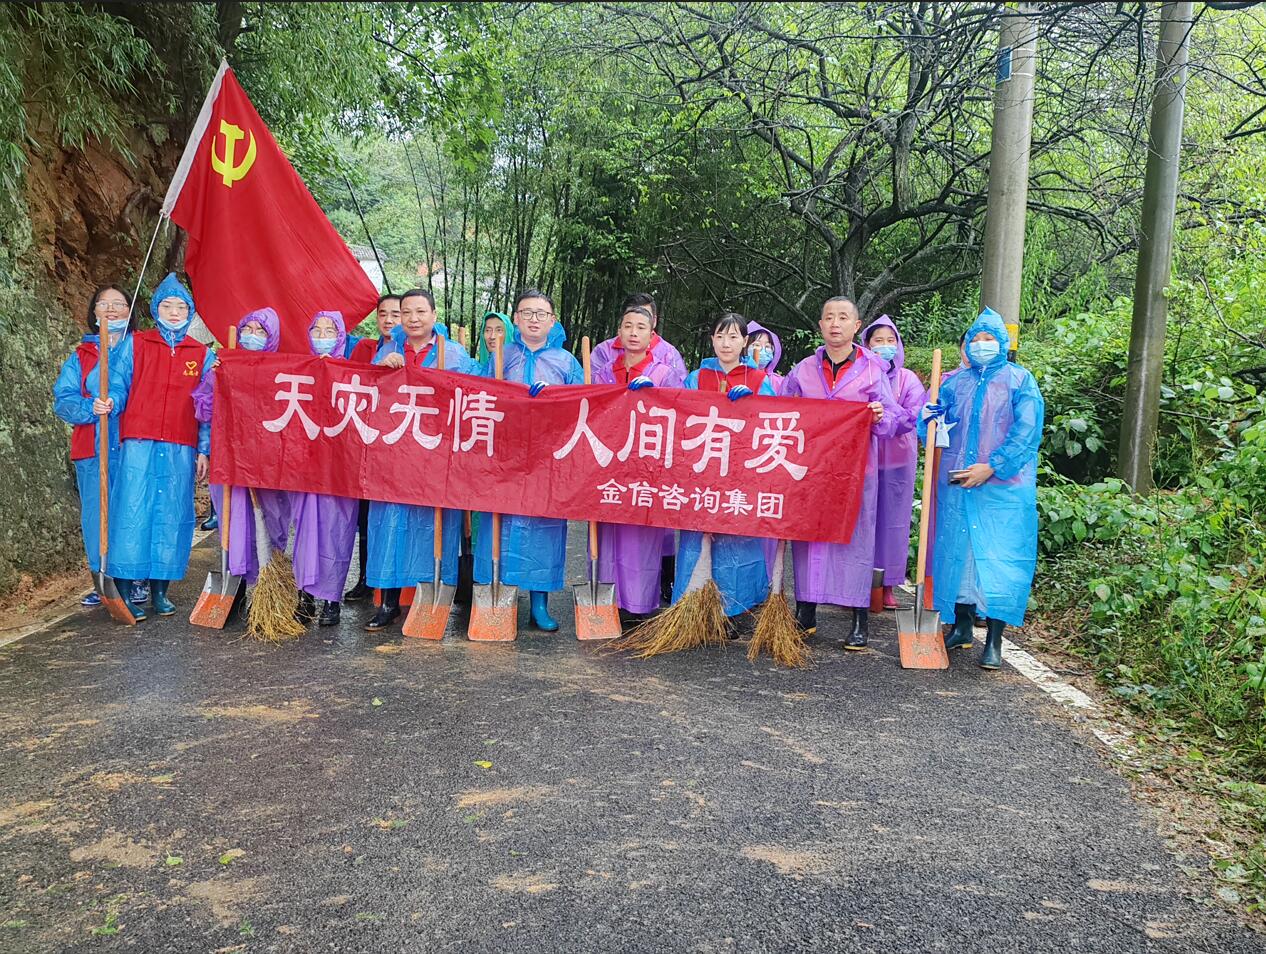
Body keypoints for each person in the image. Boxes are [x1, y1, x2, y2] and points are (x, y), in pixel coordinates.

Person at [919, 307, 1044, 670]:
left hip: (1003, 490)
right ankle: (961, 627)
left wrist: (992, 466)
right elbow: (933, 429)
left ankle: (993, 639)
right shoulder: (953, 383)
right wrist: (928, 418)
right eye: (976, 338)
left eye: (989, 339)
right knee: (958, 557)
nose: (982, 344)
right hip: (959, 483)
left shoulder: (1021, 381)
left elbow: (1026, 434)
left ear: (1002, 343)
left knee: (998, 562)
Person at [782, 297, 901, 649]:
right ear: (820, 325)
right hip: (811, 470)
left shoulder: (872, 370)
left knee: (855, 540)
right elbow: (782, 410)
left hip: (856, 471)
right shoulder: (803, 370)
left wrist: (879, 416)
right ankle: (806, 611)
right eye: (829, 317)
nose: (835, 323)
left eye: (843, 317)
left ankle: (859, 617)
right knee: (808, 539)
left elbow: (893, 418)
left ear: (856, 325)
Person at [362, 289, 476, 631]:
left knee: (433, 526)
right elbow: (367, 395)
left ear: (434, 315)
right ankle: (389, 603)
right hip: (393, 456)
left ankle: (430, 602)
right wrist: (381, 371)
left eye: (420, 311)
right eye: (406, 312)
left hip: (435, 456)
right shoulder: (388, 351)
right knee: (390, 527)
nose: (413, 318)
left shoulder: (453, 354)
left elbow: (474, 394)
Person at [473, 288, 582, 631]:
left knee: (543, 531)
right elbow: (481, 399)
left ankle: (540, 604)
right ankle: (499, 599)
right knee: (499, 527)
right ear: (516, 319)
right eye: (527, 313)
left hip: (547, 459)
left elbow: (582, 406)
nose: (534, 319)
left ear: (553, 321)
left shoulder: (566, 362)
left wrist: (554, 400)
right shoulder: (501, 356)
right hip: (505, 457)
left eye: (541, 314)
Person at [106, 274, 213, 619]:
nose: (174, 312)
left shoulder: (201, 354)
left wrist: (204, 449)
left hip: (181, 444)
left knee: (172, 515)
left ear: (190, 312)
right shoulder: (136, 344)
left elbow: (207, 408)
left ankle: (160, 592)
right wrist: (112, 400)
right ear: (155, 309)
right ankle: (124, 590)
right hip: (139, 440)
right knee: (131, 511)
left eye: (181, 307)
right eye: (167, 306)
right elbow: (119, 383)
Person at [671, 312, 774, 625]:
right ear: (712, 340)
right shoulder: (696, 377)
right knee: (696, 540)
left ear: (745, 341)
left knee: (735, 541)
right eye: (720, 336)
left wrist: (754, 403)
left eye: (733, 337)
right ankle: (693, 608)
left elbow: (772, 423)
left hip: (741, 473)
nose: (726, 343)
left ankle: (731, 610)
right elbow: (678, 415)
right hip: (702, 469)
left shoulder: (759, 380)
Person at [594, 304, 685, 616]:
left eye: (640, 327)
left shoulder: (665, 374)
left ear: (652, 335)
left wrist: (656, 395)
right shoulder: (603, 373)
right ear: (619, 333)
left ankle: (638, 604)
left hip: (648, 466)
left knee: (641, 536)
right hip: (610, 464)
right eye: (628, 326)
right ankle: (607, 600)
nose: (633, 333)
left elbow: (681, 415)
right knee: (609, 533)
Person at [191, 308, 293, 586]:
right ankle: (237, 579)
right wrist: (204, 450)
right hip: (230, 456)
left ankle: (268, 579)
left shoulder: (282, 371)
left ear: (272, 337)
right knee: (234, 518)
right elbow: (206, 413)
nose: (253, 336)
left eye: (261, 331)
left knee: (271, 518)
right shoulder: (221, 367)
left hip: (267, 462)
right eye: (248, 329)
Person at [53, 285, 136, 608]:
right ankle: (102, 580)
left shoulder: (141, 350)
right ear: (94, 312)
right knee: (96, 515)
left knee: (132, 510)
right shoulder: (82, 356)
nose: (111, 309)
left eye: (119, 304)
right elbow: (64, 399)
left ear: (130, 311)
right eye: (104, 304)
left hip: (133, 446)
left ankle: (134, 578)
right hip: (92, 446)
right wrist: (91, 408)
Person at [290, 311, 361, 626]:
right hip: (305, 465)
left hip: (340, 468)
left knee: (336, 531)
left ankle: (331, 599)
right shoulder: (298, 371)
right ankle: (304, 596)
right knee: (305, 531)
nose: (322, 336)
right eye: (316, 330)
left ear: (341, 335)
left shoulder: (352, 373)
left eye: (329, 330)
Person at [861, 315, 927, 609]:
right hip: (864, 457)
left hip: (897, 460)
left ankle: (887, 585)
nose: (885, 346)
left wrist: (885, 417)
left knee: (893, 524)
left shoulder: (907, 378)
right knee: (862, 522)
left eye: (890, 341)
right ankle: (856, 583)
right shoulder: (860, 374)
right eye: (878, 341)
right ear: (867, 344)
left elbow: (913, 414)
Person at [344, 294, 404, 603]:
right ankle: (366, 578)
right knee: (366, 515)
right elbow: (347, 380)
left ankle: (394, 584)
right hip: (365, 443)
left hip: (400, 445)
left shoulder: (413, 349)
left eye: (396, 313)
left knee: (393, 516)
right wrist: (375, 369)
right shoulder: (364, 348)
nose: (389, 320)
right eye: (383, 314)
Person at [591, 292, 686, 383]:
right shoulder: (603, 351)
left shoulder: (669, 354)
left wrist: (654, 389)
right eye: (629, 324)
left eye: (644, 315)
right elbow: (591, 386)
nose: (634, 332)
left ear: (654, 320)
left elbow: (678, 390)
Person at [346, 294, 401, 365]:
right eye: (383, 315)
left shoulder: (411, 352)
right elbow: (351, 370)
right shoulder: (364, 346)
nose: (388, 320)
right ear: (377, 318)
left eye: (395, 316)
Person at [744, 321, 786, 394]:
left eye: (767, 346)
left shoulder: (780, 382)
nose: (762, 350)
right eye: (756, 345)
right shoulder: (736, 376)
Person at [476, 310, 515, 376]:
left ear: (508, 334)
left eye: (499, 330)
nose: (492, 336)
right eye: (488, 330)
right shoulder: (478, 371)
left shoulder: (518, 370)